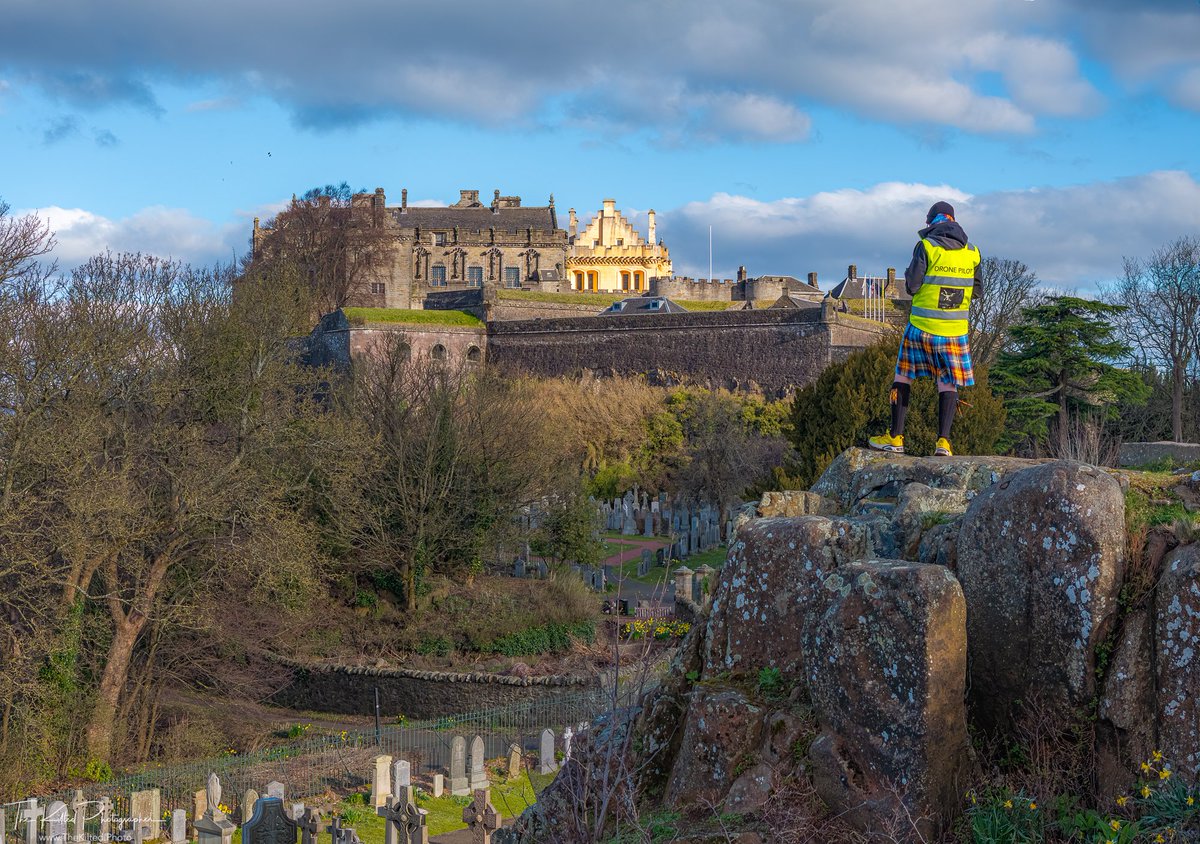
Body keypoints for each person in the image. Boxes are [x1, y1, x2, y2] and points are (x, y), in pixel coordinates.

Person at [868, 200, 981, 457]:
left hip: (921, 326)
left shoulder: (926, 246)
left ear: (930, 223)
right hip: (954, 330)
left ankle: (895, 437)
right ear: (953, 220)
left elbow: (912, 286)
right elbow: (978, 291)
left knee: (902, 377)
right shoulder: (973, 252)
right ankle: (944, 442)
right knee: (948, 383)